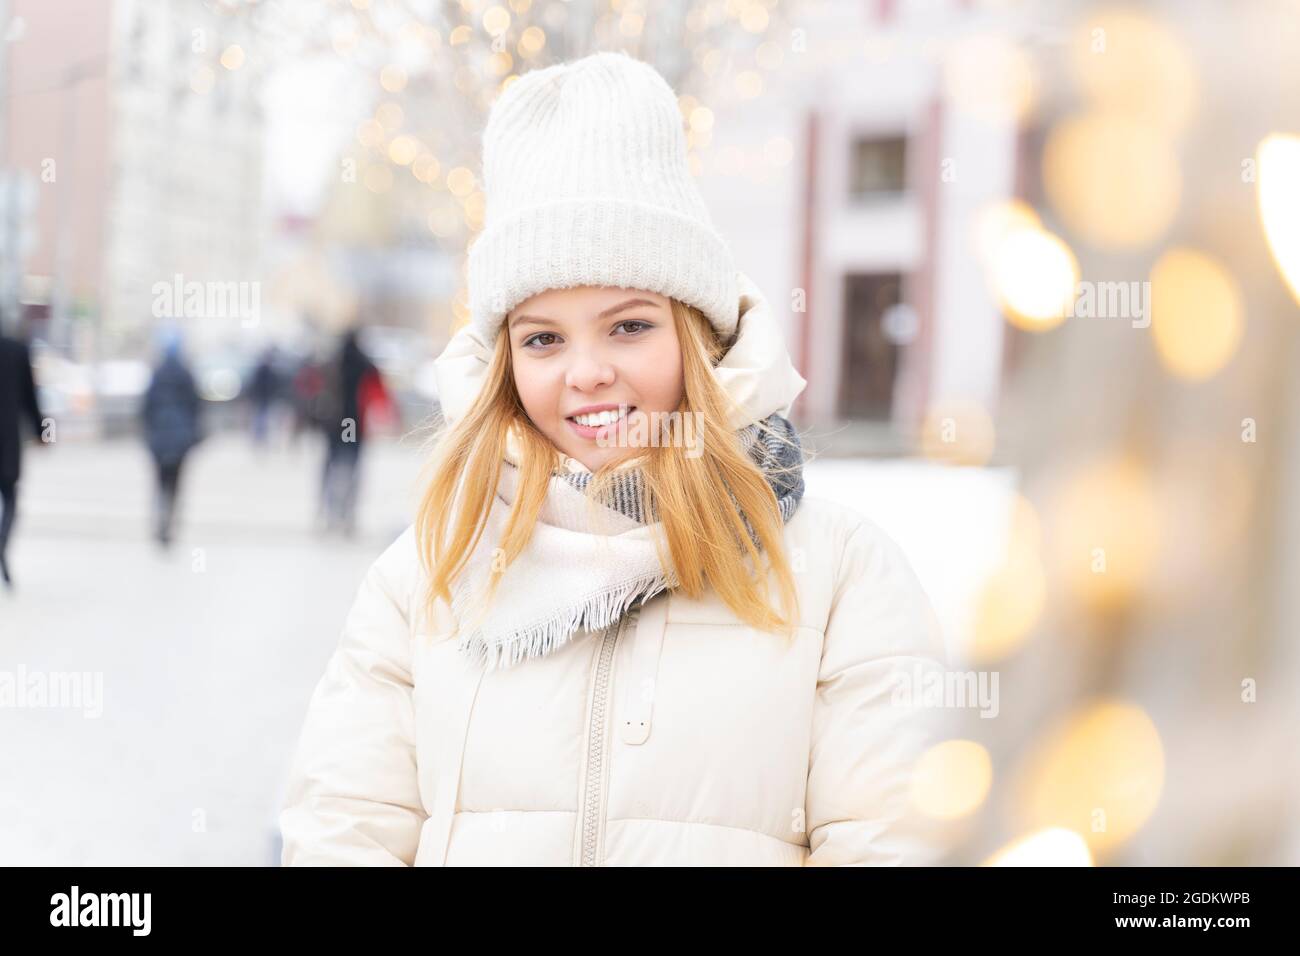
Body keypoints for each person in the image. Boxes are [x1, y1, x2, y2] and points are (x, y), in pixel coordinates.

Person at [280, 51, 948, 866]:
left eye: (628, 325)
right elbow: (344, 830)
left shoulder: (844, 574)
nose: (586, 371)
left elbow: (897, 841)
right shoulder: (428, 571)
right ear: (504, 361)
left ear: (696, 336)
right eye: (542, 339)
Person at [316, 327, 388, 536]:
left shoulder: (331, 361)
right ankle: (347, 514)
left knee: (331, 467)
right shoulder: (364, 364)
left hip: (332, 423)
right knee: (350, 469)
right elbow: (378, 394)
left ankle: (329, 512)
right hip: (351, 423)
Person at [141, 328, 203, 547]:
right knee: (175, 483)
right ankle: (170, 520)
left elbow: (146, 407)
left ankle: (161, 519)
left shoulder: (157, 375)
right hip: (180, 439)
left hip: (159, 439)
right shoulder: (186, 375)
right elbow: (196, 407)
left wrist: (147, 433)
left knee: (159, 482)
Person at [0, 326, 45, 589]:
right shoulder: (17, 350)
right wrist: (44, 434)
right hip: (7, 442)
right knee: (11, 499)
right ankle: (2, 542)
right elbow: (32, 398)